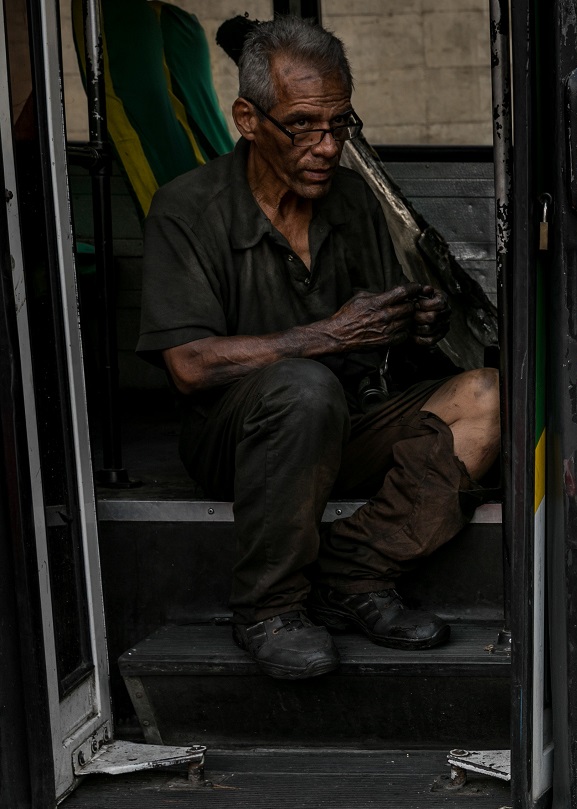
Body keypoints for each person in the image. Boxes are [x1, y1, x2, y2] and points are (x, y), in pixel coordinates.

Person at [135, 16, 501, 680]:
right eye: (303, 126)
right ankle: (269, 608)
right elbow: (189, 367)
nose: (327, 146)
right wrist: (327, 337)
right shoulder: (188, 209)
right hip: (240, 439)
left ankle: (354, 571)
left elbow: (374, 329)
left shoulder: (352, 202)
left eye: (339, 125)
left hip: (345, 420)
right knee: (303, 387)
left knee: (488, 396)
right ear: (249, 119)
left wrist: (412, 321)